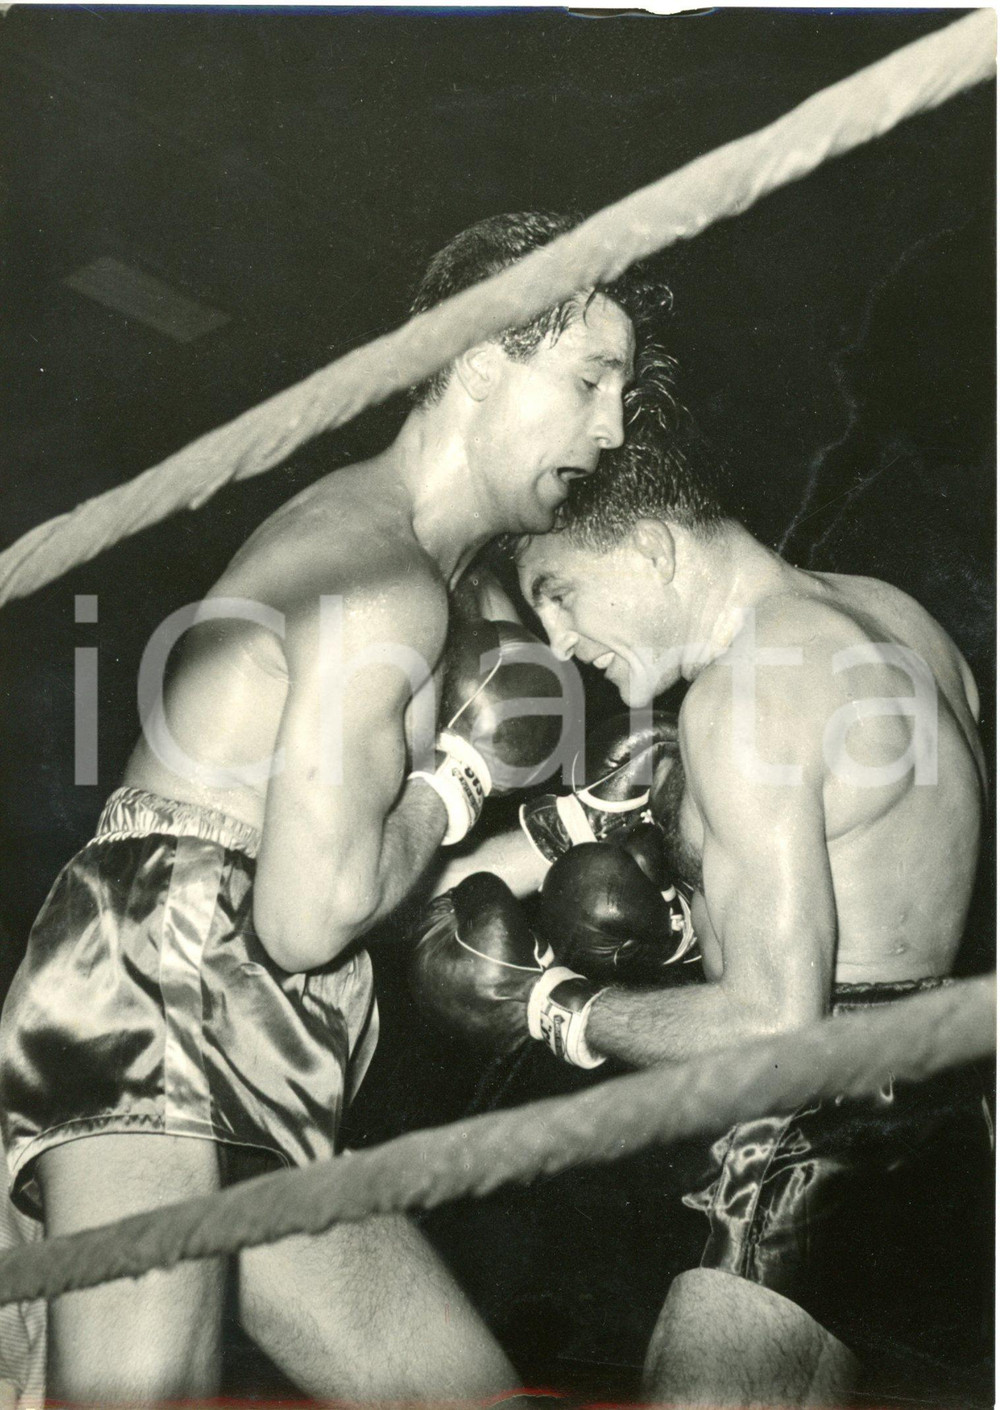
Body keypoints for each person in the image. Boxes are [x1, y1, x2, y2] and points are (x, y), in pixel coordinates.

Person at [0, 212, 671, 1404]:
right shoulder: (380, 582)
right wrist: (462, 776)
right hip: (163, 989)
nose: (611, 430)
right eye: (587, 380)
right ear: (477, 362)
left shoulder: (413, 574)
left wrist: (558, 831)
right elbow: (311, 917)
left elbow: (334, 893)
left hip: (253, 1012)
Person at [412, 420, 993, 1404]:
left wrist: (552, 1007)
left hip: (814, 1134)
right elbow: (878, 860)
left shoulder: (744, 700)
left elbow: (776, 1025)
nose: (559, 641)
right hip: (944, 1120)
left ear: (650, 549)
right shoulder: (889, 618)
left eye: (559, 595)